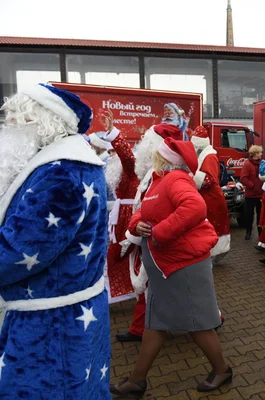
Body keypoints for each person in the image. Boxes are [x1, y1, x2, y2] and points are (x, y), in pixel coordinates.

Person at [0, 84, 110, 398]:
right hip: (66, 315)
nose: (9, 125)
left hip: (49, 324)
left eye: (18, 117)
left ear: (44, 121)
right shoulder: (64, 165)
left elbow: (19, 250)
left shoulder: (61, 173)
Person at [110, 138, 231, 397]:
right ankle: (137, 380)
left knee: (197, 324)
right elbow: (142, 211)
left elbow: (195, 207)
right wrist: (136, 225)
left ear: (163, 158)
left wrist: (159, 233)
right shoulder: (157, 181)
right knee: (156, 323)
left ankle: (221, 370)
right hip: (165, 265)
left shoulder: (175, 179)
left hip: (183, 264)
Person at [114, 123, 184, 342]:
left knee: (161, 287)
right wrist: (136, 226)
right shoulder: (152, 174)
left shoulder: (171, 177)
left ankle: (210, 319)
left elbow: (186, 211)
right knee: (154, 288)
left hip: (162, 242)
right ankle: (141, 328)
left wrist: (152, 229)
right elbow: (143, 208)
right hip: (150, 238)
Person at [94, 111, 141, 304]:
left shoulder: (130, 167)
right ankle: (116, 291)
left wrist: (113, 133)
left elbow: (126, 155)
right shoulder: (115, 169)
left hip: (128, 216)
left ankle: (126, 290)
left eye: (115, 151)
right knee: (116, 254)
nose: (112, 155)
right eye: (110, 151)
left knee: (121, 253)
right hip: (119, 215)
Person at [191, 127, 231, 263]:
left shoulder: (209, 157)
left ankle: (212, 253)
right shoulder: (204, 155)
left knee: (213, 227)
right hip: (207, 198)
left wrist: (190, 176)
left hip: (212, 199)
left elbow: (209, 179)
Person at [240, 145, 263, 240]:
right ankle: (248, 232)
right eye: (259, 152)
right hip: (250, 194)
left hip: (260, 194)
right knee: (249, 215)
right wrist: (252, 186)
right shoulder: (248, 164)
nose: (261, 154)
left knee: (260, 215)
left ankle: (260, 233)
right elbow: (243, 178)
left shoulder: (262, 163)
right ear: (255, 154)